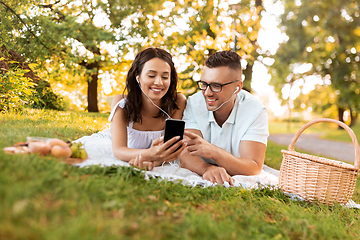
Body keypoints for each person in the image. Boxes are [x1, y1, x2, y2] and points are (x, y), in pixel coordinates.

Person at [180, 50, 269, 186]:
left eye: (216, 86)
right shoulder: (194, 103)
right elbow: (185, 153)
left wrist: (214, 152)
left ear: (237, 87)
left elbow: (254, 167)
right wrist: (207, 168)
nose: (207, 93)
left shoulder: (255, 111)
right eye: (204, 84)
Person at [108, 47, 187, 170]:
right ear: (137, 76)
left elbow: (170, 149)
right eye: (151, 75)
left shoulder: (178, 102)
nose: (159, 82)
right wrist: (149, 154)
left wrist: (153, 163)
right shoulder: (121, 103)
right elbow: (118, 150)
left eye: (165, 77)